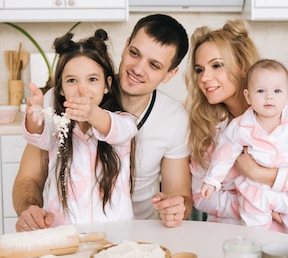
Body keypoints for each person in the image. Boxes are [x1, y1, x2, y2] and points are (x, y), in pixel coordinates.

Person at [13, 14, 192, 231]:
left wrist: (175, 208)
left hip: (133, 232)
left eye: (154, 65)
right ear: (126, 45)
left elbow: (180, 196)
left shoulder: (173, 118)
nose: (137, 69)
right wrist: (29, 209)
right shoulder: (60, 100)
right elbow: (28, 177)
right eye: (134, 53)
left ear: (170, 74)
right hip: (65, 230)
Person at [185, 19, 288, 242]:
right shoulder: (204, 124)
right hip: (227, 236)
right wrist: (255, 203)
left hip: (285, 235)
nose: (204, 78)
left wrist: (259, 175)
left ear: (242, 65)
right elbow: (201, 197)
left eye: (216, 65)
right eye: (199, 69)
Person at [23, 29, 137, 225]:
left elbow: (122, 130)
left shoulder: (122, 121)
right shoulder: (58, 127)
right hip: (63, 232)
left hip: (116, 234)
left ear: (107, 85)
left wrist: (92, 113)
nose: (81, 89)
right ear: (60, 88)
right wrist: (35, 113)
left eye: (92, 79)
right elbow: (38, 135)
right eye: (72, 80)